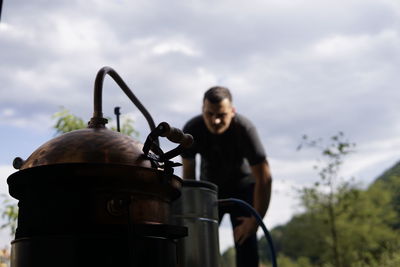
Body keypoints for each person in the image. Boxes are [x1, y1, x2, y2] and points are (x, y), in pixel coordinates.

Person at [181, 86, 272, 267]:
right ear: (202, 110)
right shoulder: (192, 129)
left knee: (246, 244)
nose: (215, 120)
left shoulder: (245, 129)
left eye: (221, 115)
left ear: (232, 111)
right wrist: (191, 215)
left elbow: (265, 178)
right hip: (210, 192)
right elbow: (189, 179)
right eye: (209, 114)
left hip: (244, 190)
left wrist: (255, 220)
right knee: (198, 244)